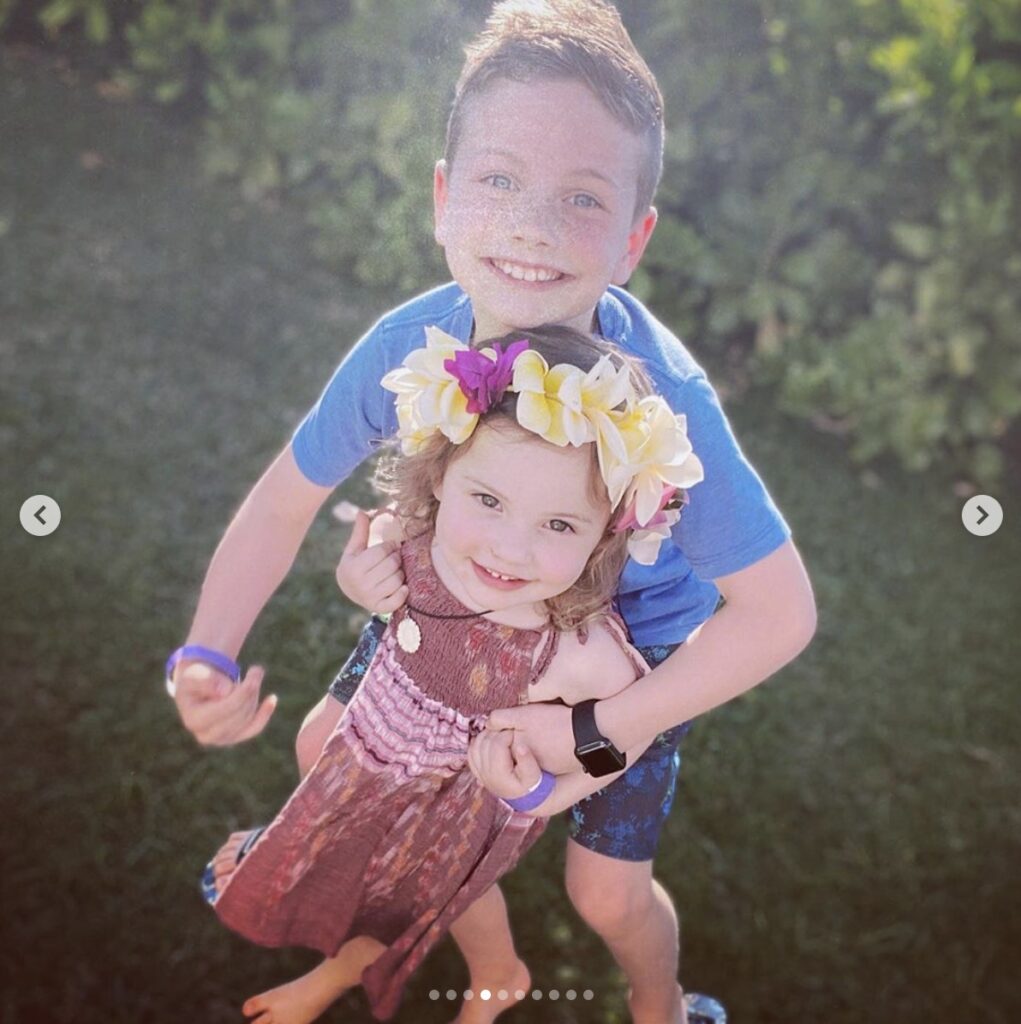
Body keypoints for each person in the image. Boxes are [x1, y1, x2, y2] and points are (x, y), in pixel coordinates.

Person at [170, 2, 816, 1022]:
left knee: (602, 893)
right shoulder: (408, 346)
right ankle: (494, 963)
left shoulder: (665, 404)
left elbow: (779, 614)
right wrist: (205, 650)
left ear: (635, 237)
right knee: (326, 746)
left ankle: (662, 1001)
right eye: (499, 179)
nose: (532, 225)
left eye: (582, 198)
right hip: (466, 612)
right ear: (442, 198)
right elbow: (284, 500)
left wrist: (599, 732)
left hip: (613, 666)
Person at [203, 325, 703, 1023]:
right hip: (373, 759)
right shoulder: (418, 544)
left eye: (558, 525)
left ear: (606, 534)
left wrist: (540, 797)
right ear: (439, 475)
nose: (508, 547)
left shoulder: (577, 649)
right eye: (489, 501)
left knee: (436, 879)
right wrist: (356, 577)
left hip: (464, 802)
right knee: (371, 866)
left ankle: (497, 973)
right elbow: (373, 537)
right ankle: (350, 959)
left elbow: (618, 741)